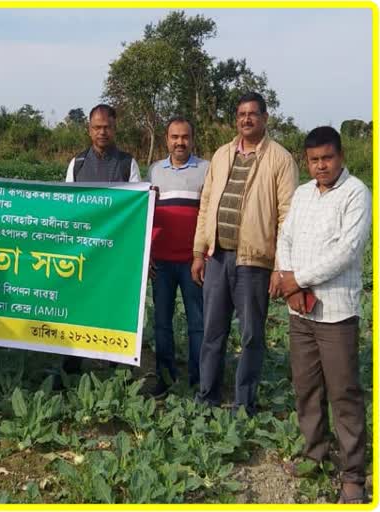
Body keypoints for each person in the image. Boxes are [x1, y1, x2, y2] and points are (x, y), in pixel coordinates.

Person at [276, 126, 371, 504]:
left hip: (335, 313)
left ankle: (353, 474)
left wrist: (297, 278)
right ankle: (315, 453)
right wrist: (288, 279)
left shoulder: (356, 194)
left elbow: (347, 251)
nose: (321, 166)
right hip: (300, 310)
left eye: (327, 158)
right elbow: (285, 237)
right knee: (306, 387)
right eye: (314, 160)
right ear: (307, 161)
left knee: (344, 392)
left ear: (341, 156)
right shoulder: (301, 194)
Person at [191, 92, 298, 415]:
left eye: (252, 114)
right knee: (212, 332)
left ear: (265, 118)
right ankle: (207, 396)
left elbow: (287, 216)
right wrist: (199, 251)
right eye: (241, 114)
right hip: (218, 257)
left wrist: (282, 266)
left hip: (254, 262)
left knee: (251, 335)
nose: (246, 119)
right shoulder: (222, 155)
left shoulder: (280, 159)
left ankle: (244, 403)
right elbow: (206, 204)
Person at [60, 104, 140, 379]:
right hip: (83, 252)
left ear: (115, 128)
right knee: (77, 305)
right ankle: (72, 363)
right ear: (89, 130)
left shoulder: (128, 163)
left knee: (113, 306)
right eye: (97, 127)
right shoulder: (77, 164)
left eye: (107, 127)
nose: (102, 132)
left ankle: (115, 364)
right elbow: (69, 208)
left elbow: (136, 211)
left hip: (115, 253)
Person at [146, 116, 208, 396]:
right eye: (174, 137)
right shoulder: (155, 171)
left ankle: (198, 380)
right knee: (162, 323)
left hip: (193, 262)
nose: (180, 142)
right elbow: (145, 215)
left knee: (198, 323)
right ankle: (165, 378)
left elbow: (209, 216)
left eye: (185, 137)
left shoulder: (206, 169)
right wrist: (147, 255)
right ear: (166, 140)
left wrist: (202, 255)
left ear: (192, 140)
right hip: (161, 262)